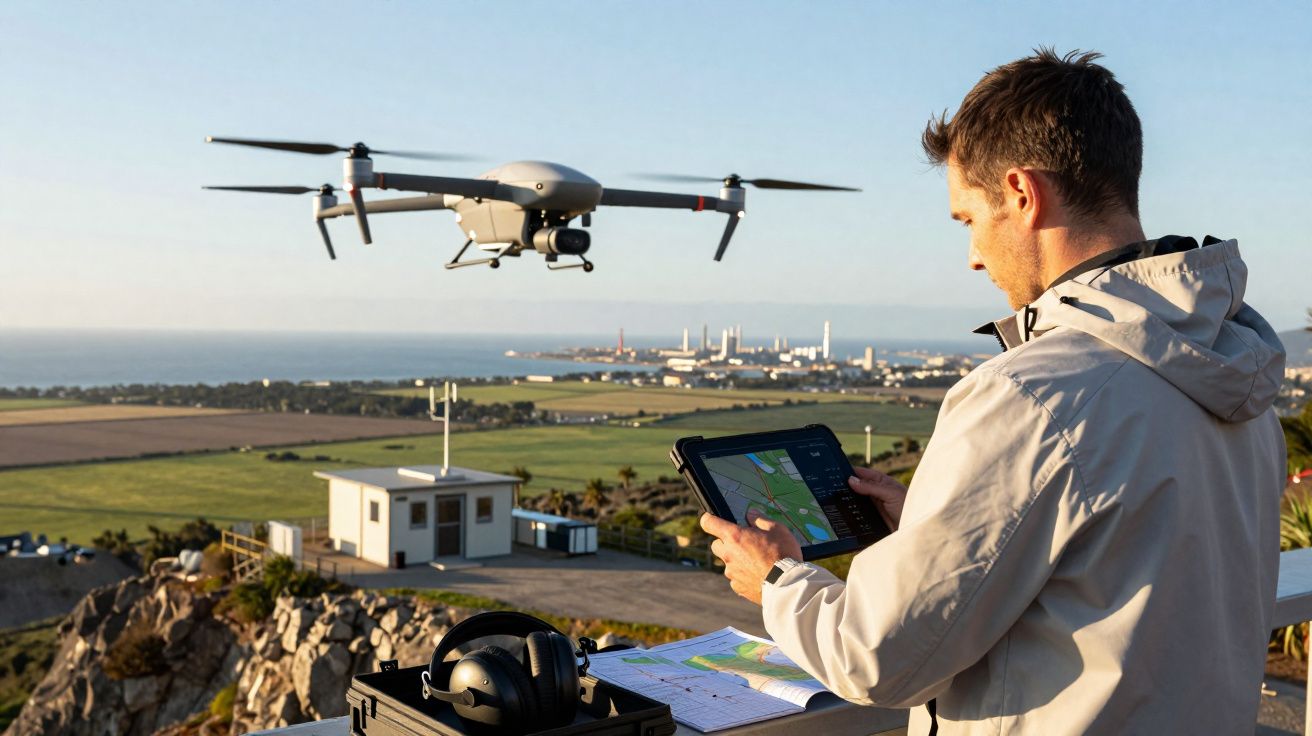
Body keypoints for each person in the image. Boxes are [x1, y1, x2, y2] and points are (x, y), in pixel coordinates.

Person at [700, 49, 1287, 734]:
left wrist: (779, 581)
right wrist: (932, 522)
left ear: (1021, 194)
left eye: (966, 219)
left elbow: (878, 656)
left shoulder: (1030, 394)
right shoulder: (1237, 370)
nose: (973, 255)